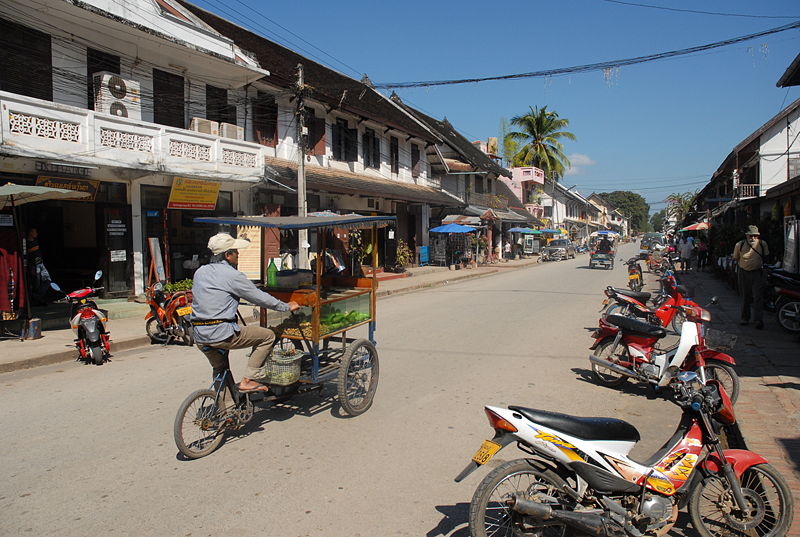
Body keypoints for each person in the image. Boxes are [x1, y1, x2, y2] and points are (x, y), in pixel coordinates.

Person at [191, 232, 300, 393]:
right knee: (267, 336)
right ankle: (249, 379)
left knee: (220, 369)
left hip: (200, 335)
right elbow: (259, 298)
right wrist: (285, 306)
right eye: (235, 251)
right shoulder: (232, 275)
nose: (238, 254)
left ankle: (224, 408)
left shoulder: (200, 272)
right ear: (228, 255)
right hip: (222, 333)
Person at [733, 225, 769, 329]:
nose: (753, 238)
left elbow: (766, 256)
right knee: (745, 297)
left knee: (758, 297)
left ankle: (758, 320)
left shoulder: (762, 244)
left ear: (758, 236)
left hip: (758, 273)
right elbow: (736, 258)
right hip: (744, 272)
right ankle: (745, 318)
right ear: (746, 236)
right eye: (750, 236)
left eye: (755, 236)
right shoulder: (739, 245)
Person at [26, 227, 52, 305]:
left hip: (40, 263)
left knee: (47, 280)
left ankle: (37, 296)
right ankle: (36, 300)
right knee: (37, 283)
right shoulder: (26, 243)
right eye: (35, 232)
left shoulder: (35, 241)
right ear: (30, 233)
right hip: (34, 265)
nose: (36, 233)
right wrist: (31, 267)